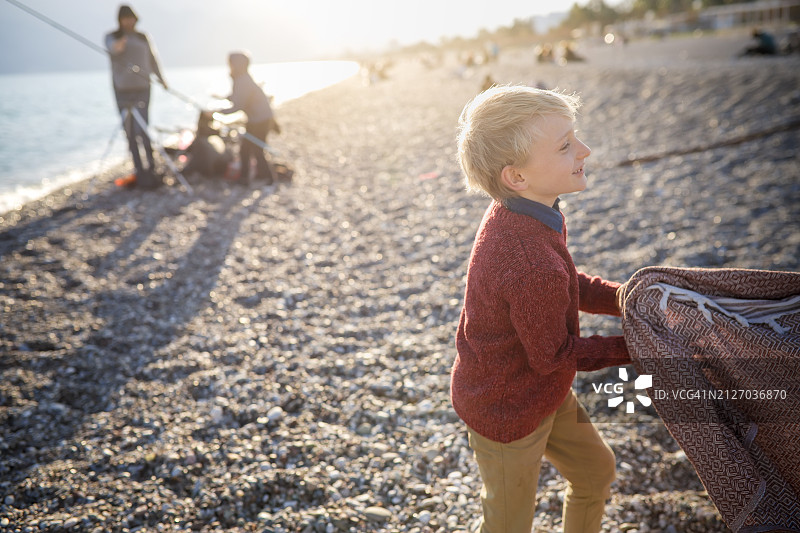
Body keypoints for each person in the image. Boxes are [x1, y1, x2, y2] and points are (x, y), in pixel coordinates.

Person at [451, 85, 632, 533]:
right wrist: (638, 347)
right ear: (517, 176)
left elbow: (565, 283)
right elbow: (553, 355)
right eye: (566, 145)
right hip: (505, 412)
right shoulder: (527, 258)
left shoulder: (525, 212)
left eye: (576, 137)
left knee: (596, 473)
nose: (584, 150)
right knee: (509, 523)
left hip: (543, 393)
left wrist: (623, 299)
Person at [105, 4, 168, 188]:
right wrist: (123, 39)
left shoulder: (143, 37)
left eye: (131, 17)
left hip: (143, 87)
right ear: (120, 20)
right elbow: (113, 49)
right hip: (122, 90)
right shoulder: (112, 37)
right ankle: (139, 171)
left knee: (143, 129)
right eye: (125, 18)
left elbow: (153, 59)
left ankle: (152, 167)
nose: (129, 21)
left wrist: (162, 79)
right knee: (130, 132)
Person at [214, 51, 278, 185]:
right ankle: (254, 177)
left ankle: (267, 179)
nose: (229, 66)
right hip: (260, 118)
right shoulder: (243, 78)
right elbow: (239, 96)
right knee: (248, 149)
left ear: (236, 65)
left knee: (254, 149)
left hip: (259, 119)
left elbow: (237, 105)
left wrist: (216, 112)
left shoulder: (241, 80)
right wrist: (222, 97)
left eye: (230, 63)